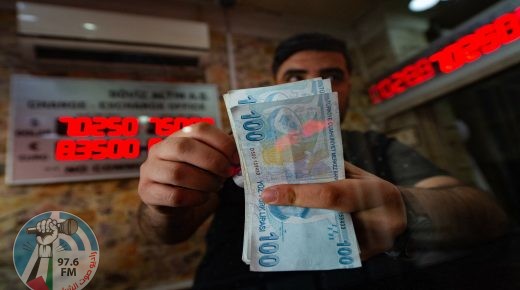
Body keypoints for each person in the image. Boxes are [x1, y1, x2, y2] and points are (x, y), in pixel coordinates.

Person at [137, 33, 508, 289]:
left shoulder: (376, 146)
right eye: (296, 77)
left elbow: (486, 215)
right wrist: (164, 201)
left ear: (348, 86)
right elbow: (169, 233)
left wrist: (404, 207)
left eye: (332, 76)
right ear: (275, 84)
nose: (315, 87)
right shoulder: (235, 152)